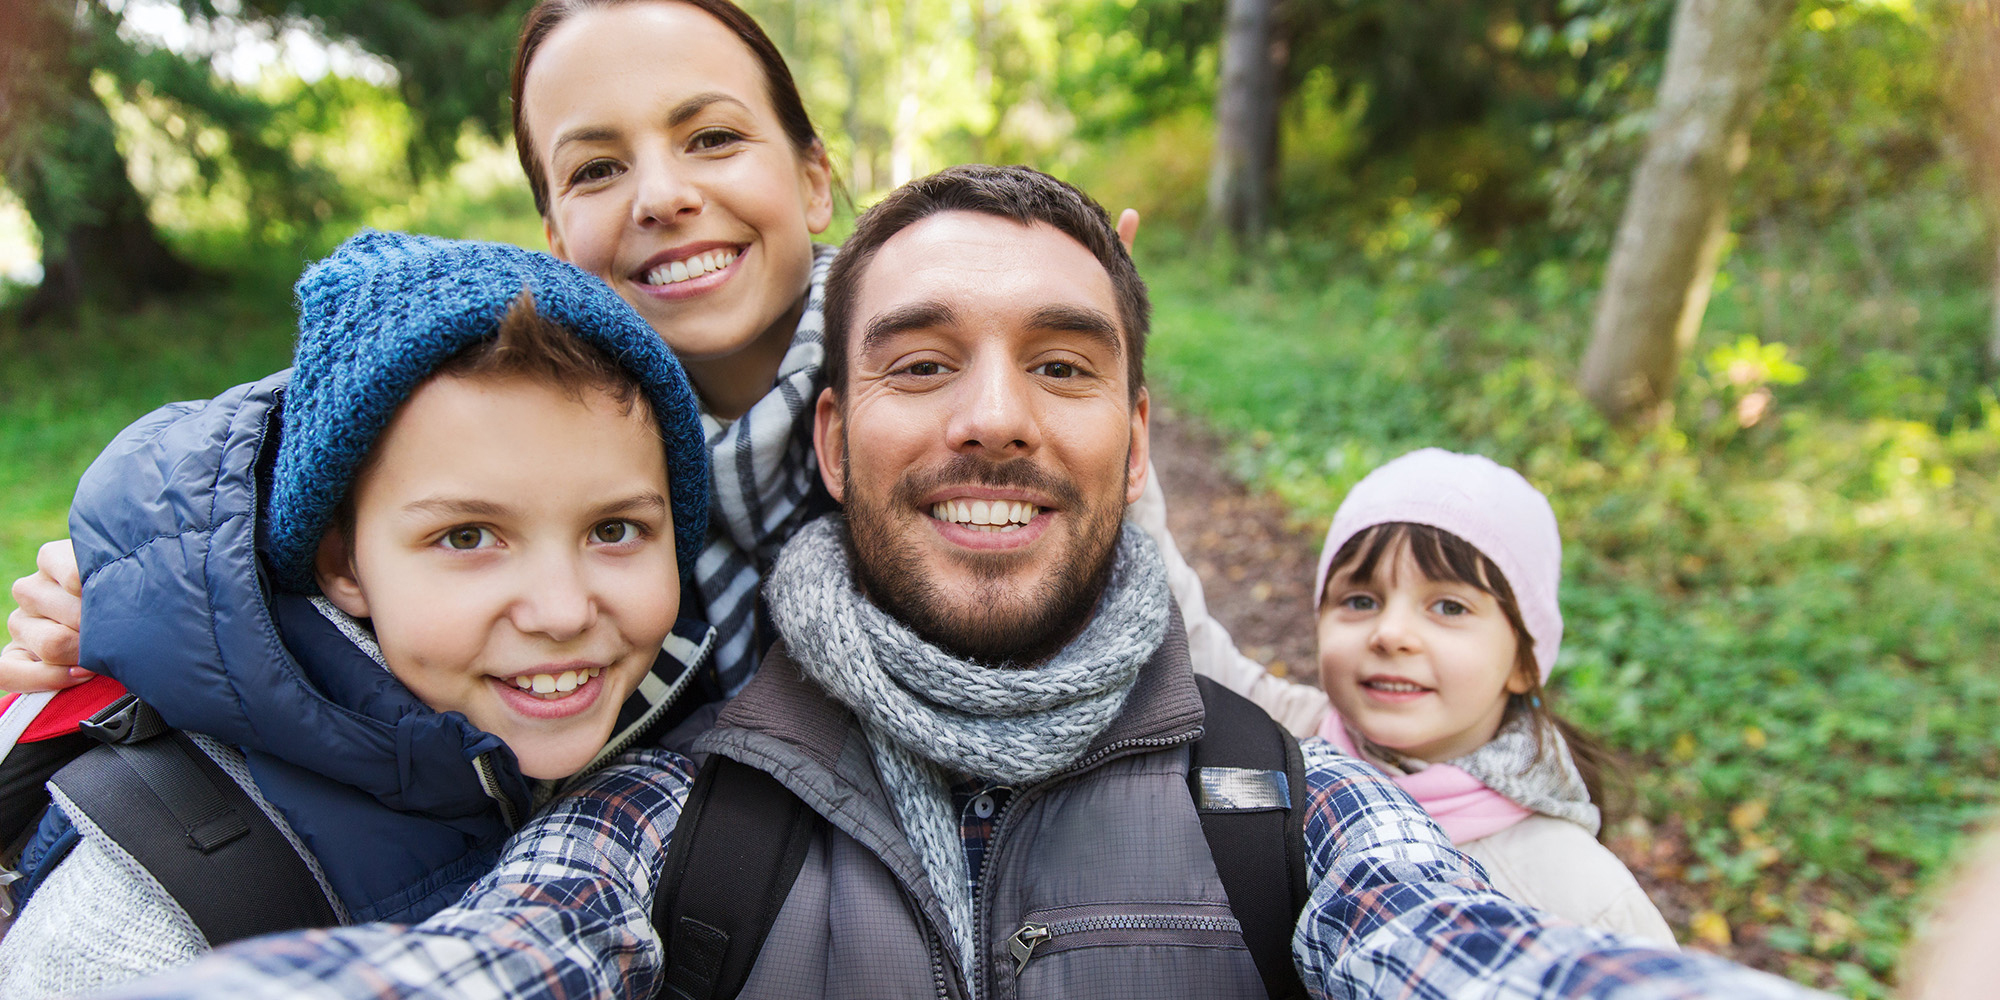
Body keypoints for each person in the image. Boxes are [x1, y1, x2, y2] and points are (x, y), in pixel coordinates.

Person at [91, 166, 1822, 1000]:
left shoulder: (1290, 808)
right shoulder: (668, 808)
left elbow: (1496, 971)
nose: (995, 417)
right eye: (923, 365)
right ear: (829, 443)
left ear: (1136, 441)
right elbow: (480, 967)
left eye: (1062, 367)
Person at [1, 0, 1328, 735]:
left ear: (812, 177)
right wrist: (138, 583)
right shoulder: (509, 422)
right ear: (552, 233)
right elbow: (313, 496)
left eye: (710, 139)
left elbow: (1186, 662)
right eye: (595, 166)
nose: (660, 196)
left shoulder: (945, 413)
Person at [0, 231, 713, 997]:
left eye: (615, 530)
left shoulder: (676, 685)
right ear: (343, 565)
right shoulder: (139, 918)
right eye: (467, 537)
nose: (564, 611)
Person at [1311, 448, 1676, 944]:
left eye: (1448, 606)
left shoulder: (1584, 903)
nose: (1391, 633)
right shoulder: (1290, 743)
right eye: (1360, 601)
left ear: (1525, 662)